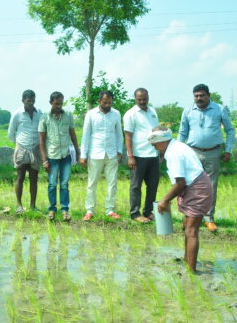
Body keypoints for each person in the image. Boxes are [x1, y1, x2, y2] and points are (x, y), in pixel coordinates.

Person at [149, 126, 213, 273]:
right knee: (187, 226)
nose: (155, 148)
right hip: (195, 186)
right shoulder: (178, 145)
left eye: (155, 145)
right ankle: (187, 260)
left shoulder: (174, 153)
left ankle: (191, 270)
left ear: (162, 141)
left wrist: (165, 200)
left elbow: (180, 183)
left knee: (191, 230)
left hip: (197, 189)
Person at [178, 84, 235, 232]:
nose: (199, 98)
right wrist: (177, 151)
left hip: (213, 153)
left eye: (202, 95)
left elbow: (229, 130)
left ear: (208, 95)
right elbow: (182, 132)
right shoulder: (188, 110)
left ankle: (209, 219)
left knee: (210, 186)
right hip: (192, 152)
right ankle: (188, 216)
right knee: (189, 185)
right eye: (196, 96)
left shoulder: (219, 109)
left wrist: (228, 150)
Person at [80, 90, 123, 221]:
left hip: (111, 153)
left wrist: (120, 151)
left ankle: (110, 210)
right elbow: (86, 135)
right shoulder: (91, 114)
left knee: (112, 183)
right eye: (105, 102)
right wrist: (83, 155)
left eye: (109, 102)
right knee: (92, 183)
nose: (107, 105)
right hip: (95, 153)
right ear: (99, 101)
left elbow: (119, 134)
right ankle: (89, 210)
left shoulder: (116, 114)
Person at [38, 91, 79, 221]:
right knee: (52, 184)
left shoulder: (68, 115)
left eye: (61, 104)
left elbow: (72, 134)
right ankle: (51, 209)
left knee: (64, 184)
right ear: (51, 103)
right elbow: (41, 141)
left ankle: (65, 210)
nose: (59, 106)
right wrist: (44, 160)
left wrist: (77, 151)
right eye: (56, 104)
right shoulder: (44, 117)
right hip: (52, 156)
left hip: (65, 155)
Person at [123, 88, 160, 223]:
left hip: (153, 154)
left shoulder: (152, 111)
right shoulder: (130, 114)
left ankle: (148, 211)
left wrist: (160, 151)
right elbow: (128, 136)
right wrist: (130, 156)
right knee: (136, 186)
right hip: (138, 155)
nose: (142, 101)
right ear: (135, 99)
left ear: (148, 97)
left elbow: (156, 132)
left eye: (144, 98)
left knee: (153, 185)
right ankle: (135, 213)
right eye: (139, 99)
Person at [8, 89, 42, 214]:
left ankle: (33, 205)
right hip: (22, 148)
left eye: (33, 100)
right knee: (20, 177)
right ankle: (19, 205)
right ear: (23, 101)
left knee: (34, 179)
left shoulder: (39, 113)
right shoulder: (17, 114)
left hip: (35, 149)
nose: (31, 103)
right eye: (28, 101)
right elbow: (11, 133)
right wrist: (18, 145)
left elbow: (42, 130)